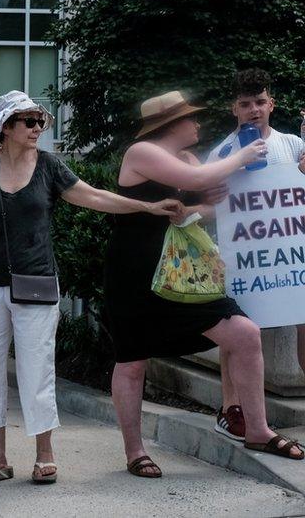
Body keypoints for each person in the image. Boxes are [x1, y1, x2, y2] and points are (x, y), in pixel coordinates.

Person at [0, 90, 183, 487]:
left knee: (37, 368)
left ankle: (44, 454)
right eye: (28, 121)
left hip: (35, 283)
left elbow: (95, 197)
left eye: (38, 121)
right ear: (6, 128)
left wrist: (147, 207)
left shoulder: (50, 167)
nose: (37, 128)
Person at [106, 90, 304, 479]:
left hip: (186, 270)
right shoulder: (141, 152)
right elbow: (199, 180)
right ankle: (135, 451)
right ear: (171, 124)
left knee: (244, 333)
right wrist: (242, 157)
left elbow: (214, 202)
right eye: (191, 118)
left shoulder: (187, 157)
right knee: (132, 361)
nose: (197, 123)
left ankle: (259, 430)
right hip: (137, 269)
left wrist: (192, 206)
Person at [204, 69, 305, 441]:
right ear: (235, 109)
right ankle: (233, 411)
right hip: (245, 261)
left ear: (271, 104)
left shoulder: (293, 144)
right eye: (245, 104)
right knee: (242, 333)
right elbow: (210, 208)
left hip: (292, 256)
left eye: (260, 102)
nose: (253, 110)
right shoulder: (222, 153)